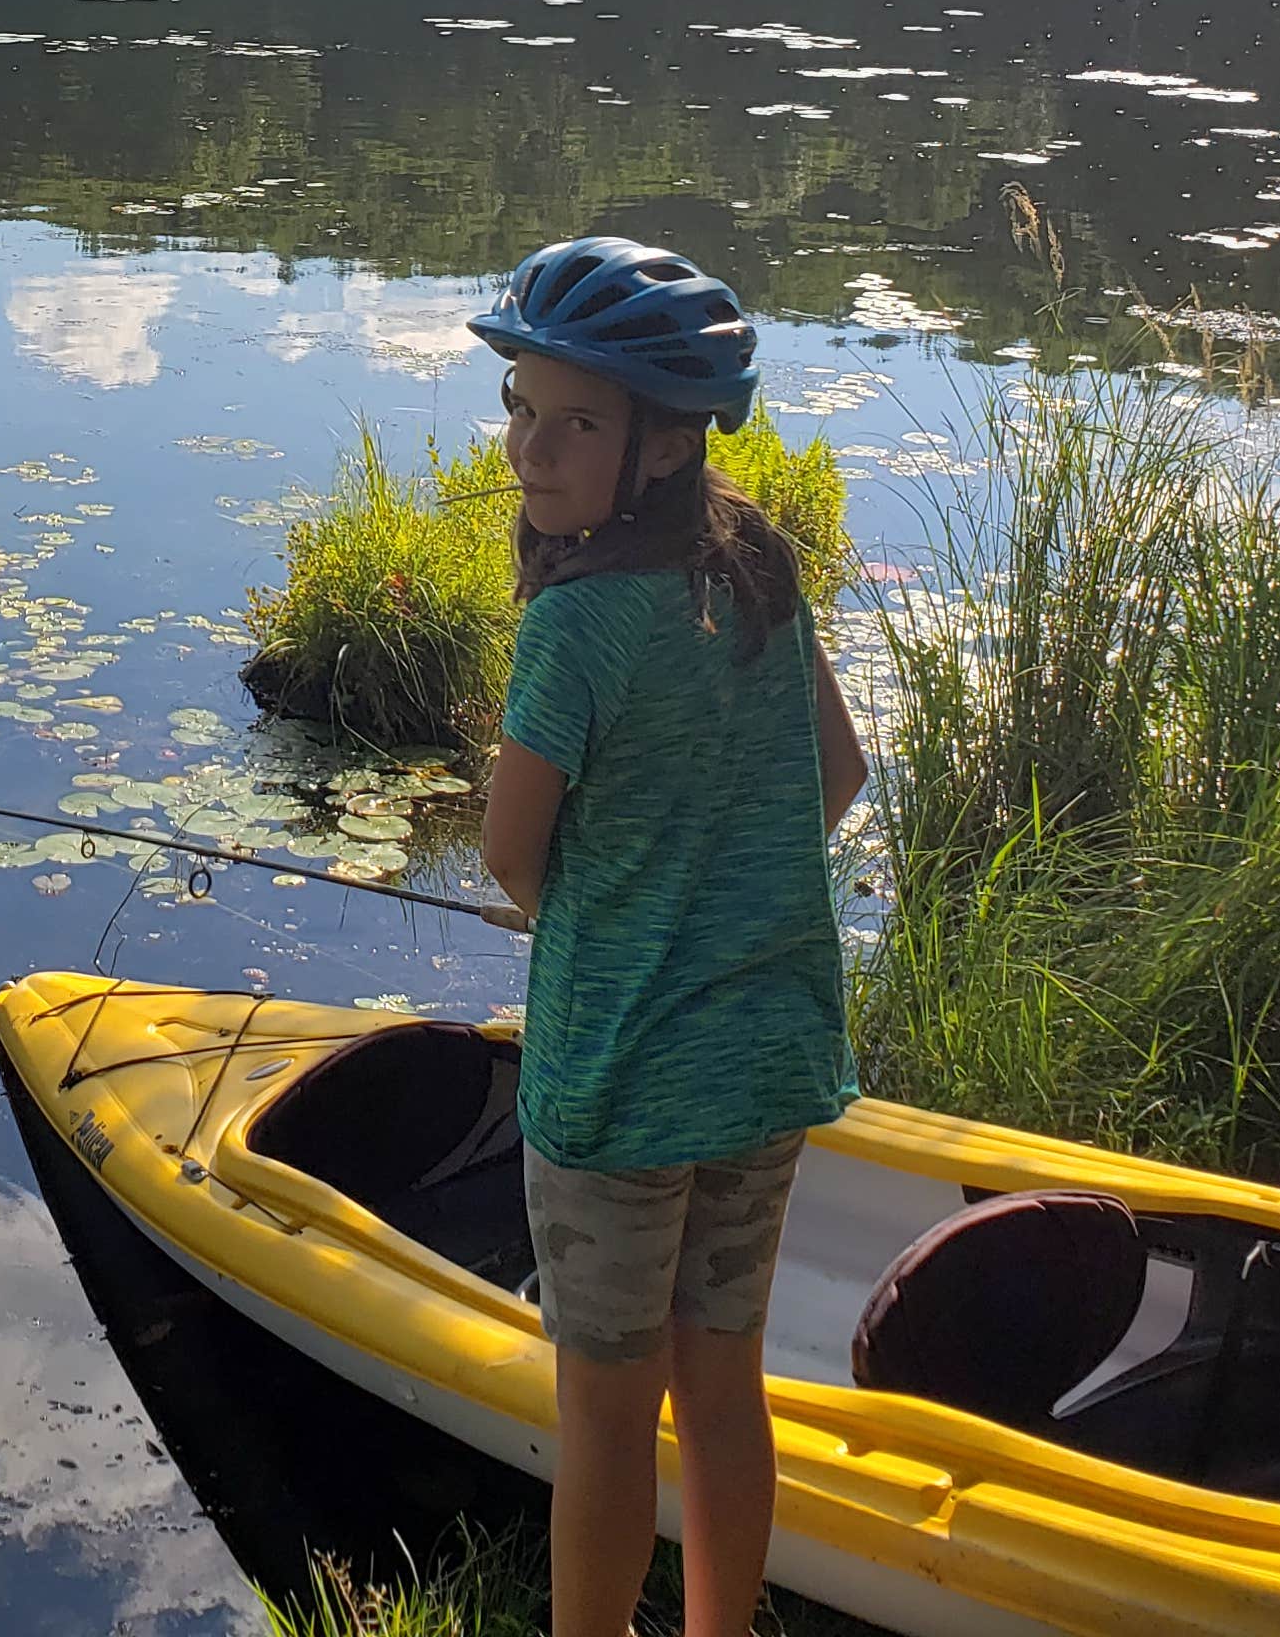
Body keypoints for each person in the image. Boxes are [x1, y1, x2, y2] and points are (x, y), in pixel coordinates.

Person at [471, 235, 868, 1637]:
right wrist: (724, 902)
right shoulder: (757, 557)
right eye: (521, 407)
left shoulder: (574, 624)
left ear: (667, 438)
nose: (532, 448)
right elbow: (840, 776)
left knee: (604, 1416)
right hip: (765, 1061)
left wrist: (615, 931)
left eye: (576, 421)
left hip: (621, 1085)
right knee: (723, 1385)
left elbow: (512, 854)